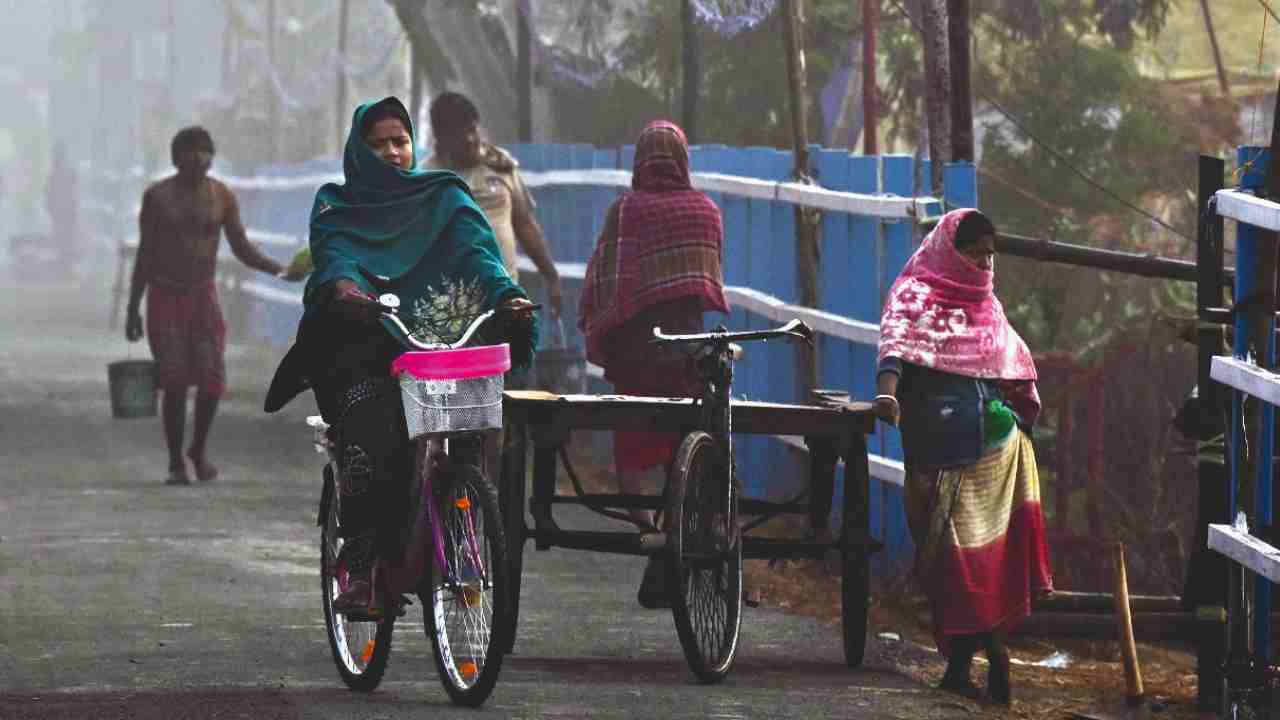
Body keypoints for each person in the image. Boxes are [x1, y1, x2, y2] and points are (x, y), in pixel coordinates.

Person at [264, 97, 537, 615]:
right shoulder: (336, 204)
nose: (393, 151)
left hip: (438, 340)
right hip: (362, 340)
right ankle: (363, 563)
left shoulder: (445, 195)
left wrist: (507, 296)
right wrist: (347, 289)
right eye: (379, 143)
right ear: (359, 151)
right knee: (374, 426)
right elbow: (336, 254)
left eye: (401, 140)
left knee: (477, 429)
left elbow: (478, 254)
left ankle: (461, 526)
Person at [873, 208, 1052, 704]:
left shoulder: (987, 303)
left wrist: (1018, 409)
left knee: (972, 563)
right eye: (975, 253)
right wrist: (887, 395)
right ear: (950, 251)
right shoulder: (915, 296)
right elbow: (894, 350)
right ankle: (966, 666)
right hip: (937, 447)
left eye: (990, 254)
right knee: (954, 564)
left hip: (990, 451)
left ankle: (989, 662)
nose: (984, 262)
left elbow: (1012, 365)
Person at [579, 120, 729, 608]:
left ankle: (648, 533)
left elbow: (607, 279)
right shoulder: (706, 211)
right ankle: (682, 523)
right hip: (689, 352)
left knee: (633, 449)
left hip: (636, 354)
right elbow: (707, 282)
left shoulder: (626, 211)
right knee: (684, 443)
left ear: (639, 160)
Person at [126, 127, 285, 485]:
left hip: (203, 296)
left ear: (212, 157)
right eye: (189, 150)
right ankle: (174, 462)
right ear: (175, 157)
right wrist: (133, 307)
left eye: (204, 151)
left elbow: (241, 246)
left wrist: (279, 269)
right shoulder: (158, 197)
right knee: (175, 380)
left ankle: (197, 449)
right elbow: (146, 254)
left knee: (212, 380)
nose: (197, 157)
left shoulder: (222, 197)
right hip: (165, 296)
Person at [425, 91, 562, 318]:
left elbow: (525, 225)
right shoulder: (428, 178)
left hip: (504, 299)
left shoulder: (500, 165)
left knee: (508, 354)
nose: (470, 139)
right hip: (452, 306)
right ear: (442, 138)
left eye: (472, 129)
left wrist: (551, 276)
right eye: (460, 134)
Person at [46, 140, 79, 265]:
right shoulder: (61, 171)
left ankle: (65, 263)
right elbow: (50, 191)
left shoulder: (62, 171)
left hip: (64, 210)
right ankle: (63, 263)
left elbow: (71, 190)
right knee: (62, 238)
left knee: (64, 238)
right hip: (62, 210)